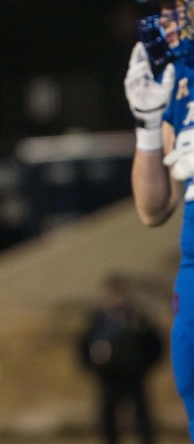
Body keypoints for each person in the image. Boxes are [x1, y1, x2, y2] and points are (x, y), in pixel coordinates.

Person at [128, 0, 194, 439]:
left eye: (179, 6)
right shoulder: (182, 76)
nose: (168, 19)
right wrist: (148, 126)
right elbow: (152, 208)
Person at [79, 273, 163, 444]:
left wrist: (144, 366)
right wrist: (92, 366)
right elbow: (83, 345)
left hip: (134, 376)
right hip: (108, 377)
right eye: (113, 293)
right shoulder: (98, 321)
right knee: (107, 420)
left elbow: (155, 345)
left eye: (120, 293)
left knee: (141, 419)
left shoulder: (138, 320)